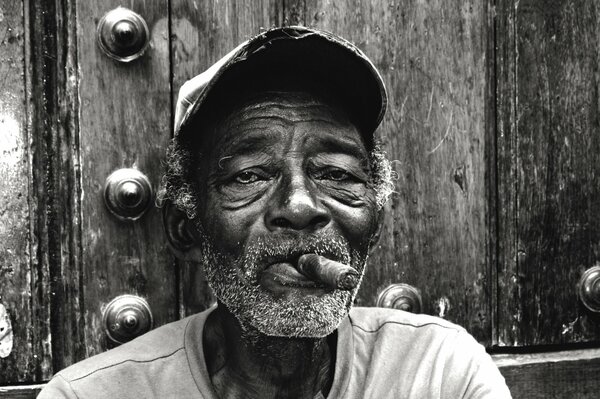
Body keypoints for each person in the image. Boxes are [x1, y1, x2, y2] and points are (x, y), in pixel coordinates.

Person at [38, 26, 511, 399]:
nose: (300, 207)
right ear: (186, 229)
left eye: (337, 174)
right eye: (249, 176)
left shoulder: (441, 373)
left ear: (376, 220)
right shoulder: (89, 395)